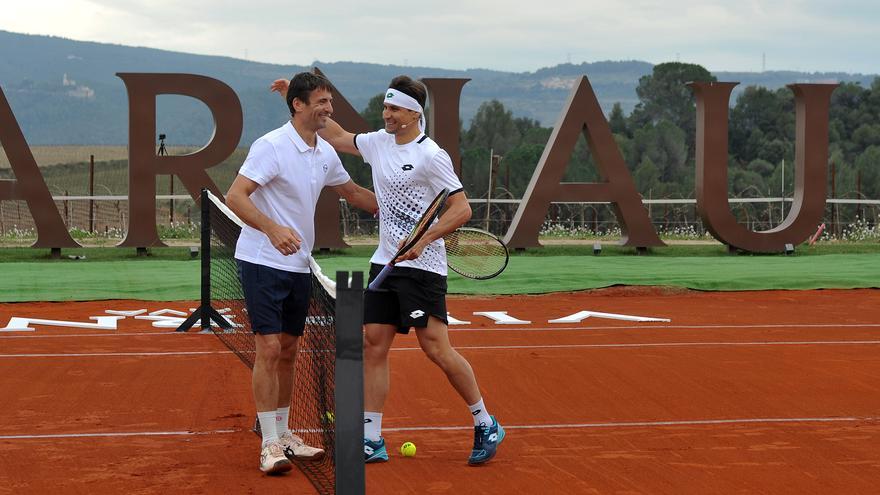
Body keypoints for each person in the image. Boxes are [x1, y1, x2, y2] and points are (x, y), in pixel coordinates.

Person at [271, 75, 504, 466]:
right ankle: (372, 437)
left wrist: (423, 240)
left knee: (437, 349)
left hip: (423, 268)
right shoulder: (378, 142)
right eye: (386, 107)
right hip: (385, 262)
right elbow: (337, 135)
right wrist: (289, 98)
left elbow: (461, 209)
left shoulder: (432, 155)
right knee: (373, 345)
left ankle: (485, 422)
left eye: (394, 109)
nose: (387, 114)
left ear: (414, 112)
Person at [227, 72, 377, 475]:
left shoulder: (324, 152)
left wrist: (396, 208)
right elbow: (234, 196)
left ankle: (284, 431)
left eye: (330, 102)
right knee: (270, 348)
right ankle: (270, 445)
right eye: (322, 102)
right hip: (261, 260)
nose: (329, 109)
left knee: (291, 349)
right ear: (299, 105)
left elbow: (354, 194)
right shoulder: (271, 146)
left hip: (298, 264)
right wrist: (272, 229)